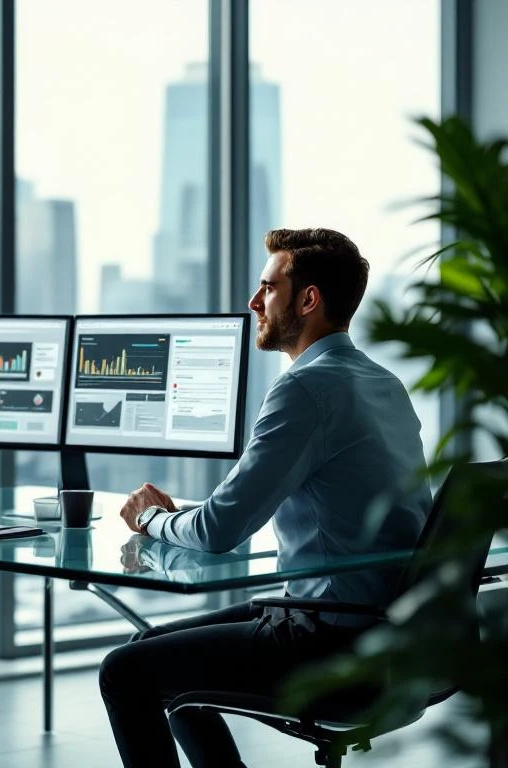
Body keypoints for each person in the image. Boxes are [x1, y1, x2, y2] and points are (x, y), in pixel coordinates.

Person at [99, 227, 433, 768]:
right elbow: (238, 514)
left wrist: (152, 519)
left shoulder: (305, 388)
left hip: (328, 641)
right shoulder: (381, 381)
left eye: (267, 287)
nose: (254, 302)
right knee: (151, 649)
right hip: (391, 631)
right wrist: (187, 516)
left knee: (124, 671)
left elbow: (217, 535)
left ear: (308, 299)